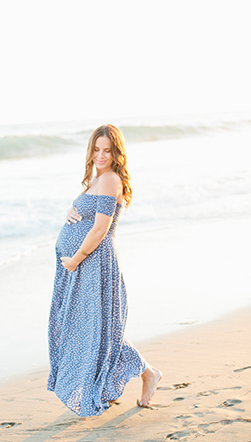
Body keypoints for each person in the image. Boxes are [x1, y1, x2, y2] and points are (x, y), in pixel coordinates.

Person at [47, 124, 162, 417]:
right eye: (96, 150)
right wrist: (70, 212)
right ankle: (113, 384)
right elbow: (88, 216)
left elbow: (101, 228)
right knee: (93, 329)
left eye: (107, 151)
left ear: (116, 153)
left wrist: (76, 258)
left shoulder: (110, 179)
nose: (100, 155)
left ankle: (148, 373)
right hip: (84, 263)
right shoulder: (99, 178)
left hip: (94, 263)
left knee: (97, 330)